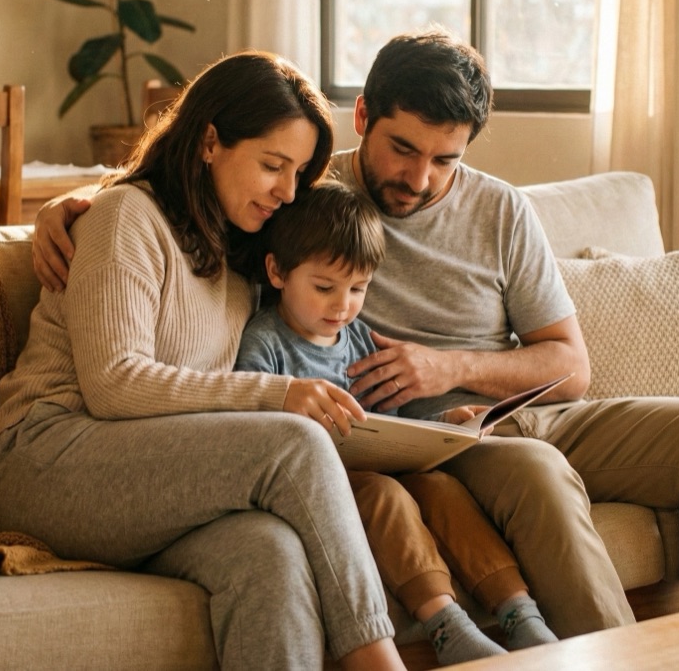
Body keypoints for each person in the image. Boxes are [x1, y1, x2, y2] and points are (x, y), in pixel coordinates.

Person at [31, 29, 679, 638]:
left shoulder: (502, 211)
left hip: (505, 410)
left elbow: (570, 366)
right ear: (363, 120)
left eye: (445, 158)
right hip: (415, 442)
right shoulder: (311, 198)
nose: (419, 178)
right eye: (403, 149)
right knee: (538, 474)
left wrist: (446, 365)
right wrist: (78, 202)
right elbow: (195, 196)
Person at [0, 51, 406, 671]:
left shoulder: (245, 248)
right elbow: (115, 386)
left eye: (298, 173)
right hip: (45, 457)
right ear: (210, 141)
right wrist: (275, 395)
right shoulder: (127, 217)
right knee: (294, 443)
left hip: (146, 476)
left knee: (270, 553)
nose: (287, 191)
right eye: (272, 166)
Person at [233, 181, 556, 666]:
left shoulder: (359, 338)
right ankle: (446, 625)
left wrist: (449, 421)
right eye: (324, 288)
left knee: (442, 486)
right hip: (325, 484)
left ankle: (519, 613)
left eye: (358, 289)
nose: (342, 305)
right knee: (387, 496)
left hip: (383, 464)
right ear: (277, 272)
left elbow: (396, 419)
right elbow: (251, 424)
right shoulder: (266, 343)